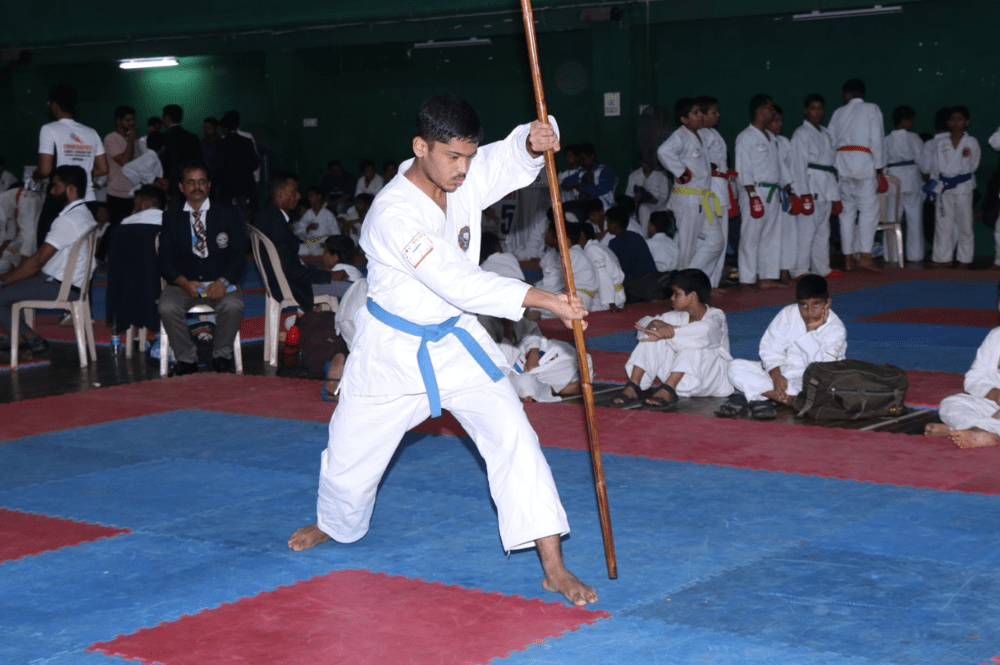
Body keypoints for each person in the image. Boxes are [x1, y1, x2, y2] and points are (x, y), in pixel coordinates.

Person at [287, 95, 597, 607]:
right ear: (420, 146)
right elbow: (457, 281)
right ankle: (334, 524)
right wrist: (544, 299)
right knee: (348, 461)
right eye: (453, 156)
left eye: (468, 156)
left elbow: (503, 158)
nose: (463, 168)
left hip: (456, 343)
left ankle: (553, 567)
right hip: (392, 350)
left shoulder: (464, 174)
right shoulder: (391, 214)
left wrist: (530, 140)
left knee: (515, 438)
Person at [719, 273, 847, 420]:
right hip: (783, 375)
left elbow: (822, 370)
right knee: (734, 366)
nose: (810, 311)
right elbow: (770, 347)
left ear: (827, 303)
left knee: (824, 393)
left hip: (810, 383)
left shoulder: (836, 329)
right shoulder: (788, 313)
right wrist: (776, 374)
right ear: (798, 303)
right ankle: (784, 399)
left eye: (816, 304)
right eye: (804, 305)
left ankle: (760, 396)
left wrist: (811, 332)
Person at [158, 161, 246, 375]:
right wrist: (182, 281)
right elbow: (164, 259)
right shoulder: (171, 216)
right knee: (167, 307)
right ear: (181, 187)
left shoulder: (228, 213)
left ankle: (222, 355)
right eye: (190, 182)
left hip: (220, 281)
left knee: (233, 305)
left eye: (201, 182)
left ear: (209, 185)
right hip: (183, 282)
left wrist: (223, 281)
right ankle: (186, 358)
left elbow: (239, 255)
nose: (196, 187)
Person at [0, 165, 96, 358]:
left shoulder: (68, 220)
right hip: (73, 286)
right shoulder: (84, 214)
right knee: (13, 283)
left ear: (70, 189)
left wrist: (3, 280)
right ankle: (19, 336)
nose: (52, 191)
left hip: (59, 287)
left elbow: (37, 261)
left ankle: (32, 339)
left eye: (56, 186)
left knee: (1, 294)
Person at [612, 268, 732, 409]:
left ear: (692, 296)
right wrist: (655, 324)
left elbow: (705, 330)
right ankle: (634, 385)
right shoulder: (677, 316)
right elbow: (643, 322)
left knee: (692, 342)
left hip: (709, 382)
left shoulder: (716, 316)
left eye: (676, 294)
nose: (672, 298)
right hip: (681, 381)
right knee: (652, 335)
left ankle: (668, 389)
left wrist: (668, 331)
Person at [253, 170, 339, 312]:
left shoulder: (265, 215)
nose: (299, 196)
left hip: (280, 280)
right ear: (279, 193)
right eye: (293, 192)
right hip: (292, 286)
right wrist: (328, 275)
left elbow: (288, 262)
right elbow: (291, 270)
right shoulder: (276, 224)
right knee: (353, 287)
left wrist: (316, 270)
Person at [927, 281, 1000, 448]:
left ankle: (969, 429)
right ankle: (980, 430)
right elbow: (973, 379)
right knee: (951, 403)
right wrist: (995, 394)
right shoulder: (996, 337)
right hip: (993, 405)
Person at [827, 78, 886, 273]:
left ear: (847, 95)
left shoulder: (838, 113)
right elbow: (877, 139)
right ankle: (865, 256)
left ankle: (848, 259)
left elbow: (831, 140)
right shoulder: (872, 109)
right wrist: (879, 168)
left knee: (846, 213)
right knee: (869, 211)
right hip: (863, 163)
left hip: (842, 164)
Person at [657, 99, 722, 273]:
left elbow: (717, 144)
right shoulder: (680, 136)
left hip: (704, 198)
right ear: (684, 119)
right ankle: (683, 286)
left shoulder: (703, 134)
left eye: (701, 112)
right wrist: (681, 172)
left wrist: (713, 164)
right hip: (688, 199)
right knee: (687, 248)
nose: (701, 116)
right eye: (695, 113)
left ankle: (692, 278)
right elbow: (663, 151)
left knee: (716, 242)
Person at [735, 94, 783, 289]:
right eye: (770, 109)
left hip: (772, 191)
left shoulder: (772, 137)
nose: (773, 112)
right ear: (760, 111)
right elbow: (742, 168)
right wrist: (752, 195)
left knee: (771, 236)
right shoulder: (745, 137)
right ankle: (747, 279)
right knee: (751, 236)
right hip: (754, 191)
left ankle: (767, 277)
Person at [924, 106, 980, 269]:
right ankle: (942, 258)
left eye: (960, 119)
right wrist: (933, 189)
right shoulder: (941, 143)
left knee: (965, 225)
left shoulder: (971, 142)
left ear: (967, 122)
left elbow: (973, 165)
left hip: (963, 187)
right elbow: (935, 169)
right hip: (943, 188)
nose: (956, 122)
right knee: (943, 225)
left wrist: (958, 178)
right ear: (948, 122)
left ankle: (964, 260)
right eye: (953, 119)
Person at [790, 93, 839, 279]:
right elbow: (797, 165)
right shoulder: (801, 134)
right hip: (809, 185)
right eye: (813, 108)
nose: (817, 112)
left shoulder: (826, 133)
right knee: (806, 231)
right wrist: (803, 193)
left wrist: (836, 195)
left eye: (820, 108)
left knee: (822, 230)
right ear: (805, 110)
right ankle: (800, 270)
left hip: (826, 185)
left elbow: (833, 164)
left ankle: (822, 268)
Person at [34, 84, 108, 203]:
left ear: (54, 104)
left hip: (62, 198)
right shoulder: (91, 132)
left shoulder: (48, 129)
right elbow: (103, 169)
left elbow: (45, 170)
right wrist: (84, 171)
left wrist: (35, 177)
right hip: (88, 198)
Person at [697, 95, 735, 287]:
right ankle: (705, 282)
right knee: (714, 239)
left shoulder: (712, 134)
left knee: (721, 237)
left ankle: (712, 282)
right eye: (714, 112)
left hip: (720, 188)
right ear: (701, 115)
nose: (717, 115)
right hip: (710, 190)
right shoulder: (700, 135)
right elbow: (705, 165)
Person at [884, 105, 926, 263]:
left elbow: (880, 162)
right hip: (912, 180)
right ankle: (916, 255)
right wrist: (925, 172)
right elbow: (923, 161)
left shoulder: (886, 139)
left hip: (893, 180)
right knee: (915, 220)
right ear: (906, 120)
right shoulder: (914, 138)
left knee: (892, 220)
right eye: (911, 120)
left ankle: (891, 255)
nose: (912, 124)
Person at [215, 112, 258, 215]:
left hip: (227, 186)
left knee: (227, 214)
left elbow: (219, 166)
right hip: (244, 185)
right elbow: (255, 162)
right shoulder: (247, 140)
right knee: (242, 213)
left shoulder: (221, 143)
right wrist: (245, 171)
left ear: (225, 128)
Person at [160, 105, 203, 201]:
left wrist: (163, 187)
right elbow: (199, 162)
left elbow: (161, 167)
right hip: (190, 183)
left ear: (166, 117)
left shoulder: (163, 138)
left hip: (169, 185)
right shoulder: (193, 137)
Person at [580, 222, 626, 312]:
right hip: (614, 295)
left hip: (605, 302)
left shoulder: (592, 249)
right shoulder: (600, 246)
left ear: (582, 235)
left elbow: (603, 276)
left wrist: (610, 303)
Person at [561, 143, 615, 210]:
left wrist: (582, 188)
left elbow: (602, 189)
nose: (581, 162)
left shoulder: (604, 171)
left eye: (583, 159)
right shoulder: (582, 172)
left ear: (592, 157)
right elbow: (564, 183)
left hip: (603, 208)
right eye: (580, 159)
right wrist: (573, 186)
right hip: (585, 208)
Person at [295, 185, 340, 256]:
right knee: (298, 249)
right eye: (308, 196)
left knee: (314, 247)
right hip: (310, 243)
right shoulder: (308, 214)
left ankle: (323, 252)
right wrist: (308, 228)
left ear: (319, 197)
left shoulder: (328, 214)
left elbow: (336, 233)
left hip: (324, 243)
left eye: (311, 196)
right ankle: (319, 252)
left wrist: (328, 244)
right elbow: (298, 231)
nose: (309, 198)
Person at [625, 158, 669, 227]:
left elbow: (664, 197)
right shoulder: (634, 175)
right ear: (641, 162)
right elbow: (628, 195)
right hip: (637, 205)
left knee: (644, 208)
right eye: (645, 163)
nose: (647, 165)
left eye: (649, 163)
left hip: (657, 205)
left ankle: (645, 236)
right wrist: (635, 199)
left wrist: (655, 201)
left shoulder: (661, 176)